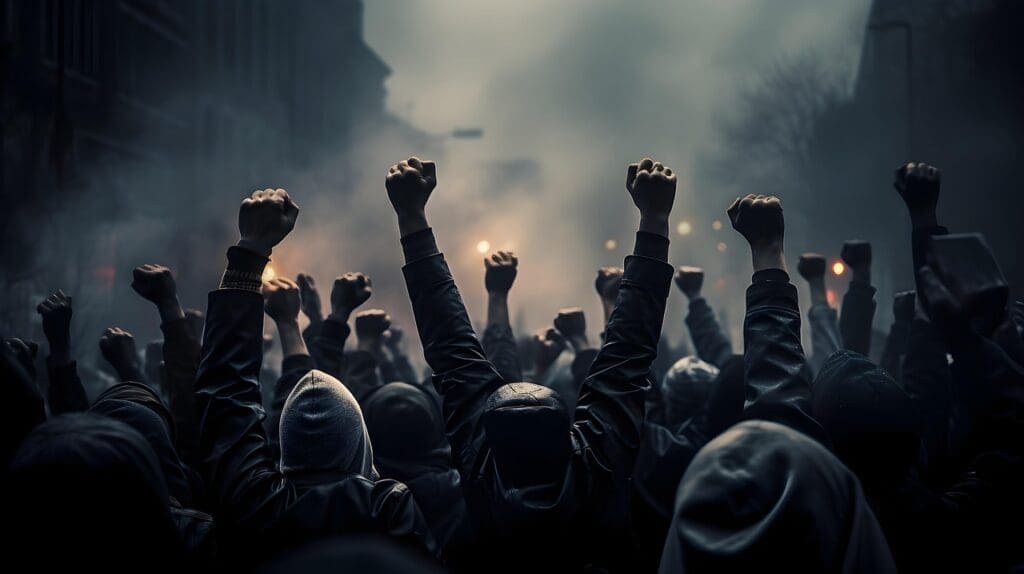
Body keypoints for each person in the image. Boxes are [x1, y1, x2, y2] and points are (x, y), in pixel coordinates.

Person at [387, 156, 676, 570]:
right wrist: (655, 221)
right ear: (568, 430)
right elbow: (627, 354)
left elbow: (452, 352)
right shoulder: (596, 469)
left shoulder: (481, 478)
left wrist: (412, 219)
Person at [192, 188, 436, 565]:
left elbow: (226, 400)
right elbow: (226, 398)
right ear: (362, 443)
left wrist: (249, 254)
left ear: (282, 443)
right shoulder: (391, 513)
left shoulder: (254, 509)